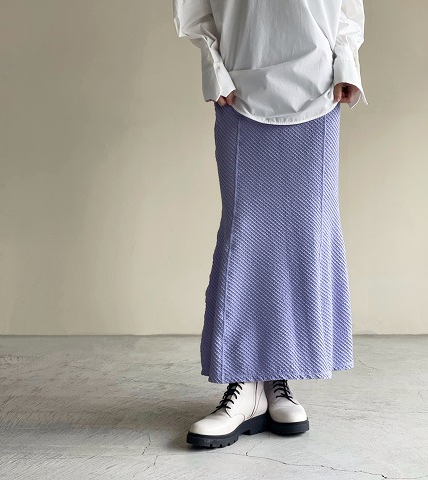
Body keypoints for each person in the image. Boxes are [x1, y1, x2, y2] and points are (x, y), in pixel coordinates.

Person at [172, 0, 368, 449]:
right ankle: (243, 381)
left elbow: (346, 10)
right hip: (242, 86)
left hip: (317, 90)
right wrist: (213, 68)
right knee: (245, 239)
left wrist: (346, 64)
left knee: (305, 238)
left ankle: (277, 378)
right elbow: (194, 8)